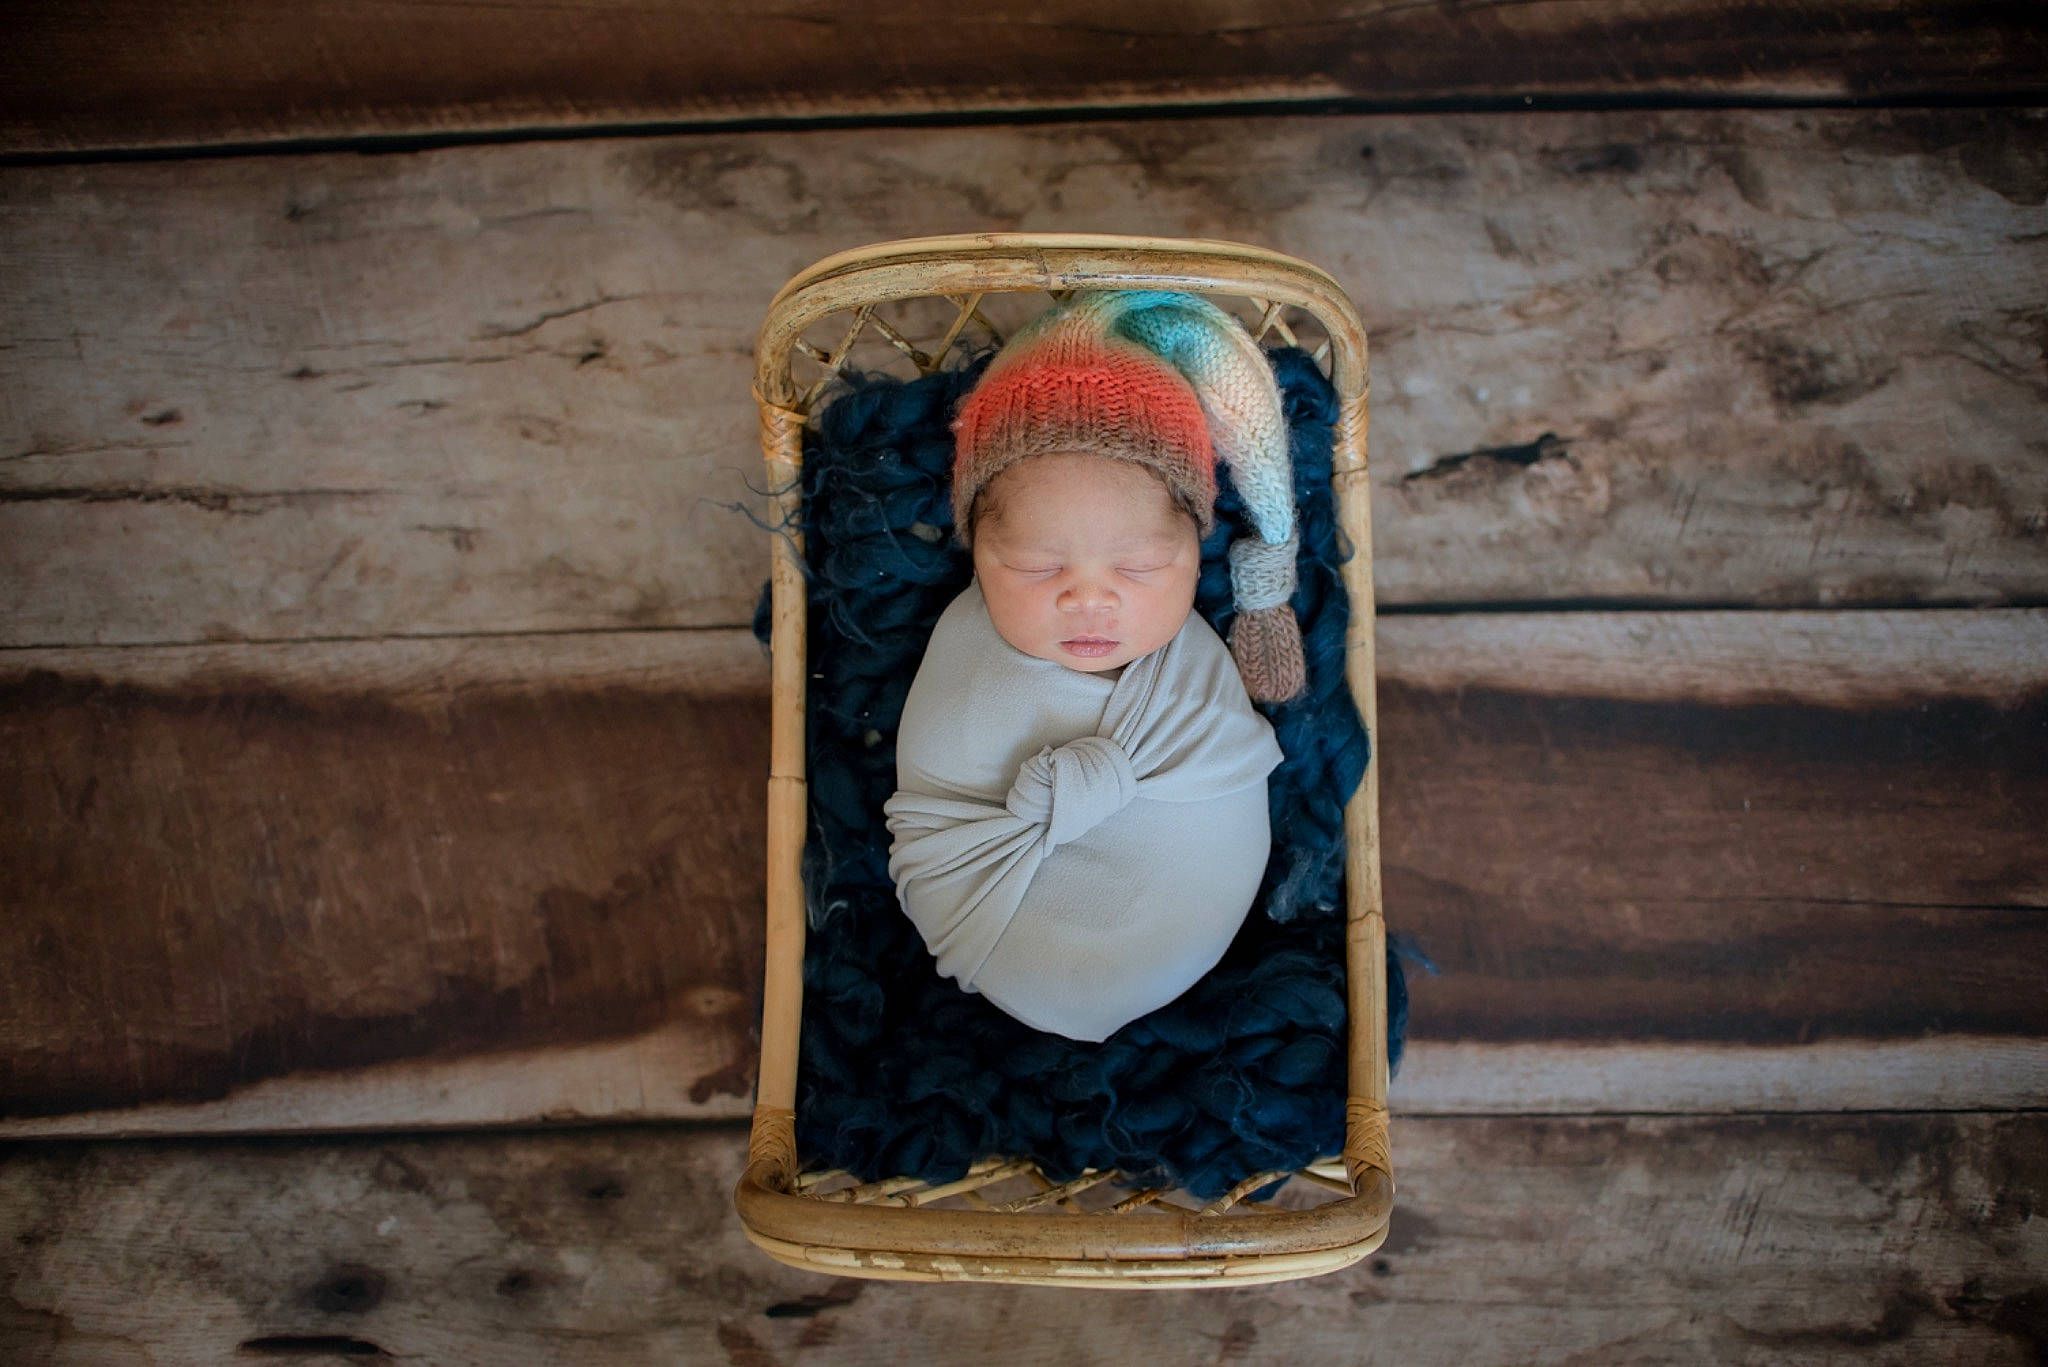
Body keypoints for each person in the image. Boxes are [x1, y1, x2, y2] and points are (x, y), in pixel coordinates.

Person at [883, 290, 1307, 1042]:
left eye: (1141, 566)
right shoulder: (967, 653)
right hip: (997, 914)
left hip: (1179, 919)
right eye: (1036, 565)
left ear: (1195, 554)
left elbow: (1218, 763)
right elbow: (938, 787)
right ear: (976, 555)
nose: (1088, 599)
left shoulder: (1193, 664)